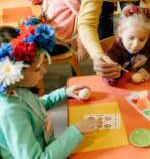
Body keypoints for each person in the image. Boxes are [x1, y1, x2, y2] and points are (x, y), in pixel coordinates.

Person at [0, 23, 102, 159]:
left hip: (49, 146)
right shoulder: (10, 113)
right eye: (37, 68)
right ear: (14, 72)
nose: (44, 70)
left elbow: (35, 106)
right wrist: (76, 131)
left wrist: (63, 93)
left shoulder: (16, 88)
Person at [106, 5, 150, 83]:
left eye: (142, 39)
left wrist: (145, 70)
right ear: (120, 32)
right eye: (131, 38)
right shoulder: (112, 51)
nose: (136, 45)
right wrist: (115, 75)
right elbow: (107, 79)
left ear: (148, 36)